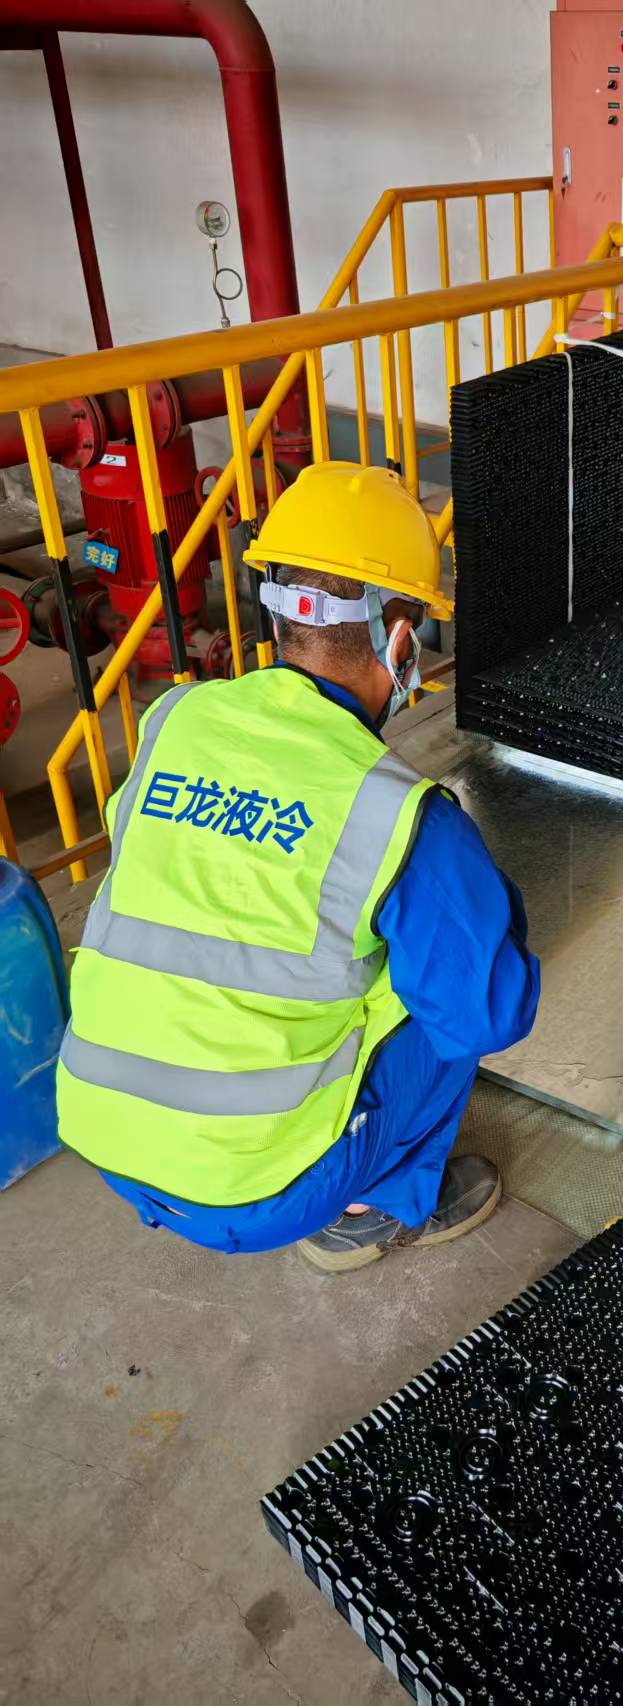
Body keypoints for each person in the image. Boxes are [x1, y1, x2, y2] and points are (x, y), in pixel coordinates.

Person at [56, 462, 539, 1272]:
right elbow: (491, 1015)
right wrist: (489, 909)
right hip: (258, 1194)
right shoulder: (402, 815)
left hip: (101, 1134)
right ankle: (367, 1208)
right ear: (398, 636)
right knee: (454, 989)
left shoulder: (176, 717)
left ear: (277, 611)